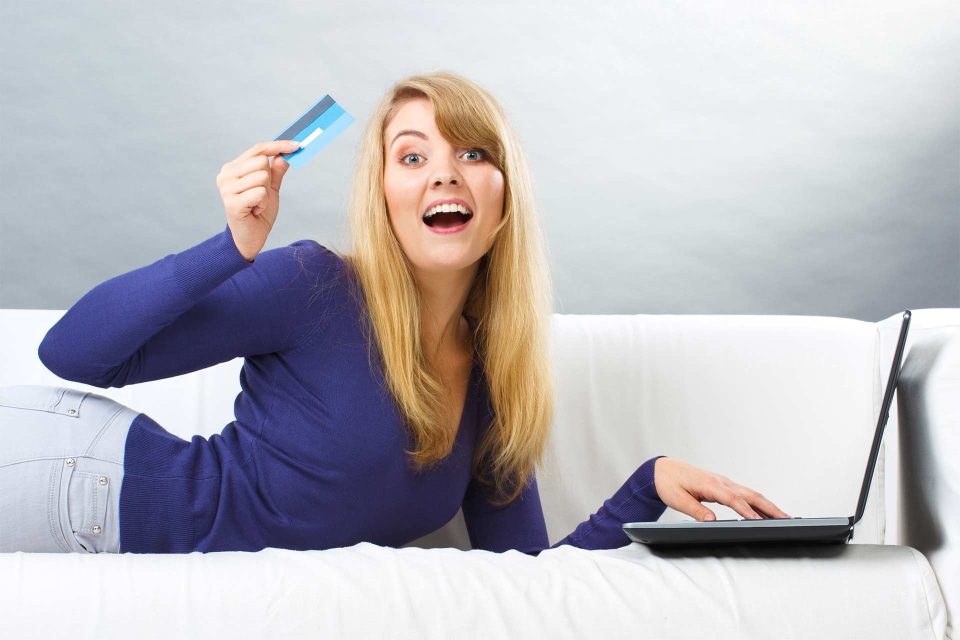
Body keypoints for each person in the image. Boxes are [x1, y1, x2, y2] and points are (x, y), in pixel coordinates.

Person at [0, 71, 790, 555]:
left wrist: (648, 484)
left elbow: (531, 586)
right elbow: (74, 353)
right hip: (77, 472)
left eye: (472, 153)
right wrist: (230, 248)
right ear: (383, 196)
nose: (443, 173)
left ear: (504, 201)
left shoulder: (496, 389)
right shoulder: (316, 286)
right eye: (412, 156)